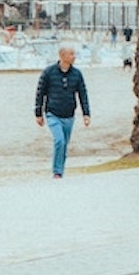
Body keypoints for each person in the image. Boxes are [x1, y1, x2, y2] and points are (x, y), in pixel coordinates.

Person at [34, 44, 90, 178]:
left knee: (64, 144)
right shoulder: (48, 72)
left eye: (74, 54)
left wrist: (86, 114)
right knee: (59, 141)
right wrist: (38, 113)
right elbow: (40, 93)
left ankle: (61, 170)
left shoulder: (77, 74)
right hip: (53, 113)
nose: (74, 56)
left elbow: (83, 94)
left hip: (69, 115)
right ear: (62, 56)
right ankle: (57, 172)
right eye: (71, 54)